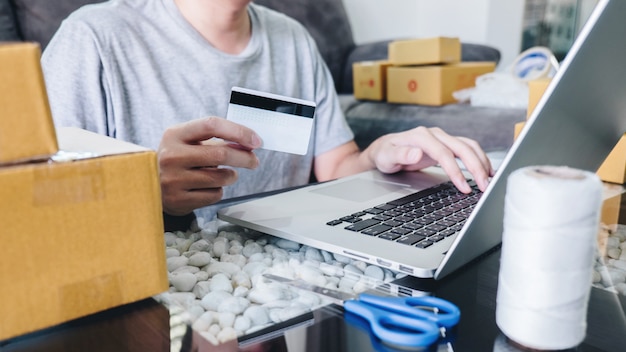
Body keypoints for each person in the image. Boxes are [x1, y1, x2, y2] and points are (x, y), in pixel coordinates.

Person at [41, 0, 494, 231]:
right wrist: (140, 190)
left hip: (286, 275)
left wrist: (381, 154)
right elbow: (41, 207)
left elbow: (334, 167)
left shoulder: (294, 39)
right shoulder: (93, 39)